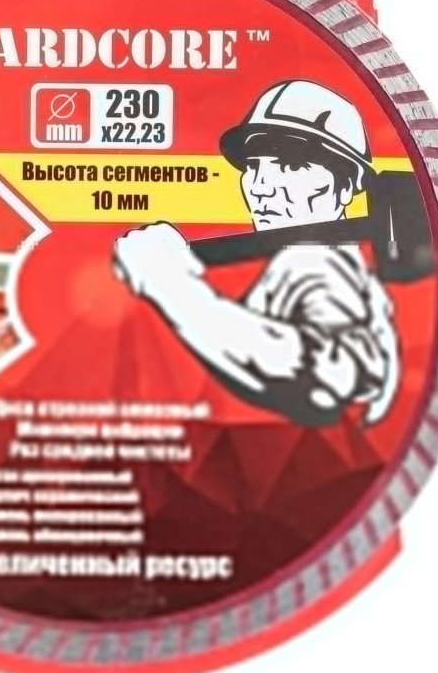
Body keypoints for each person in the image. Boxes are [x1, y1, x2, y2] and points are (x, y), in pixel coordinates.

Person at [114, 80, 400, 428]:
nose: (261, 187)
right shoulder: (319, 264)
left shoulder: (314, 261)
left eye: (290, 164)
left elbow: (321, 377)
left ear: (346, 185)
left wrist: (168, 282)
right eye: (253, 166)